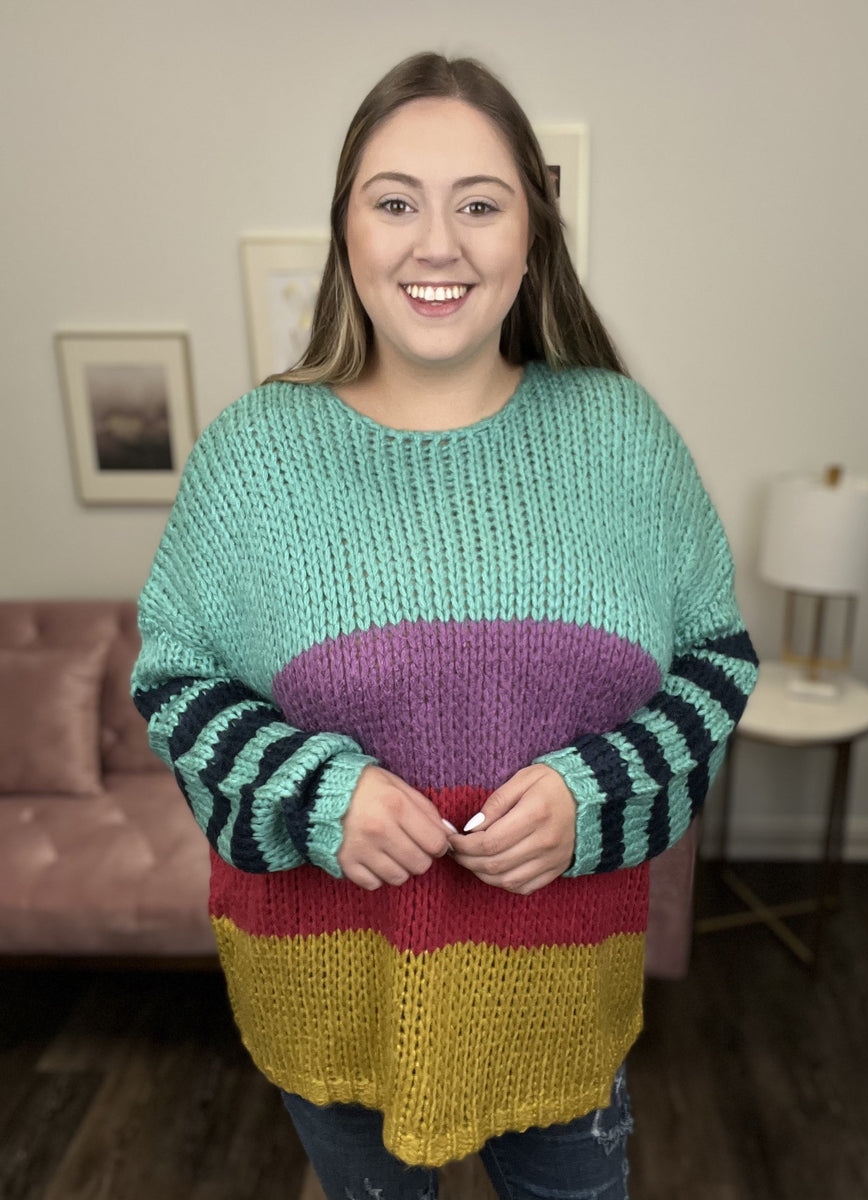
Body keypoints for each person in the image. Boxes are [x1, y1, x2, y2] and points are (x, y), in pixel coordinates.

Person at [132, 51, 758, 1200]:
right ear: (347, 230)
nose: (437, 244)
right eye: (395, 203)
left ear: (532, 236)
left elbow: (715, 665)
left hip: (561, 1004)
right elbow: (175, 682)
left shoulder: (623, 438)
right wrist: (316, 794)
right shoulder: (253, 456)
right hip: (332, 999)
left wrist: (596, 794)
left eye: (479, 204)